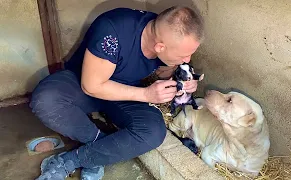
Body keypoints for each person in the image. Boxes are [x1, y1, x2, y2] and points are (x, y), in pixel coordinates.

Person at [30, 5, 204, 180]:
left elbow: (165, 71)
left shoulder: (165, 33)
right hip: (83, 83)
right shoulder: (112, 31)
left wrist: (183, 82)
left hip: (127, 91)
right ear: (159, 47)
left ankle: (75, 159)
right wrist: (146, 95)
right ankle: (98, 149)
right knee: (45, 100)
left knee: (153, 132)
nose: (187, 60)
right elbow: (91, 86)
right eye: (184, 55)